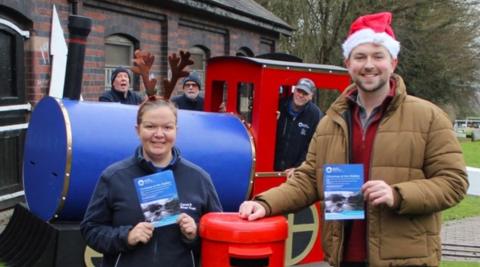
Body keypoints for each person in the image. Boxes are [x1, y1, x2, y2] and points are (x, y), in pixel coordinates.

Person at [239, 12, 468, 267]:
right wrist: (265, 204)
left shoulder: (428, 117)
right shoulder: (331, 121)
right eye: (360, 57)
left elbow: (454, 183)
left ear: (393, 62)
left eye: (378, 56)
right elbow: (309, 179)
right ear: (348, 63)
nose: (368, 64)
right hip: (344, 258)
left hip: (404, 260)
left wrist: (398, 195)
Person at [81, 97, 222, 267]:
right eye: (150, 126)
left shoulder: (199, 178)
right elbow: (90, 229)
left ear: (176, 131)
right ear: (137, 130)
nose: (159, 134)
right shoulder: (114, 177)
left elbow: (218, 238)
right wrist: (127, 236)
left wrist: (195, 234)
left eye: (167, 127)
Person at [274, 78, 324, 175]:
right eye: (299, 91)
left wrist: (299, 168)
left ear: (311, 96)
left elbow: (314, 147)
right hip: (271, 169)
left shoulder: (316, 115)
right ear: (294, 90)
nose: (300, 95)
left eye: (305, 93)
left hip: (296, 173)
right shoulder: (279, 105)